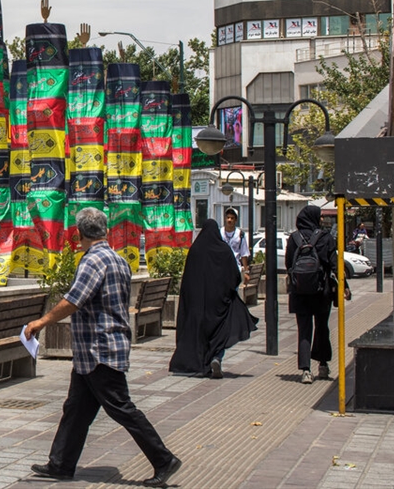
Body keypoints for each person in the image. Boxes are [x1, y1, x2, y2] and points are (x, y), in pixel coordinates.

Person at [24, 207, 182, 486]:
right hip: (96, 351)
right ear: (104, 230)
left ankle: (163, 459)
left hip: (100, 350)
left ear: (79, 233)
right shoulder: (118, 260)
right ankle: (60, 464)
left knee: (121, 408)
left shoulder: (93, 261)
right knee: (76, 409)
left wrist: (42, 321)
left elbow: (74, 300)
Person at [169, 218, 258, 378]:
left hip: (198, 304)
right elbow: (234, 276)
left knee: (200, 332)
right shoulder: (223, 250)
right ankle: (216, 357)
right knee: (220, 329)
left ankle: (200, 362)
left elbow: (187, 279)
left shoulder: (195, 250)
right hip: (218, 303)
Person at [287, 206, 338, 384]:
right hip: (321, 292)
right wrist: (343, 287)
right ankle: (322, 365)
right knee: (322, 327)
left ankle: (305, 370)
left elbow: (289, 265)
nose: (322, 219)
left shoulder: (293, 238)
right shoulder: (325, 238)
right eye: (320, 216)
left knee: (304, 330)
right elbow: (334, 264)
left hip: (300, 292)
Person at [221, 207, 251, 284]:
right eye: (228, 218)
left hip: (235, 268)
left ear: (235, 220)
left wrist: (246, 272)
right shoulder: (220, 232)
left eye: (232, 218)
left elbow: (244, 254)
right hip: (221, 268)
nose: (229, 220)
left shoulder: (240, 234)